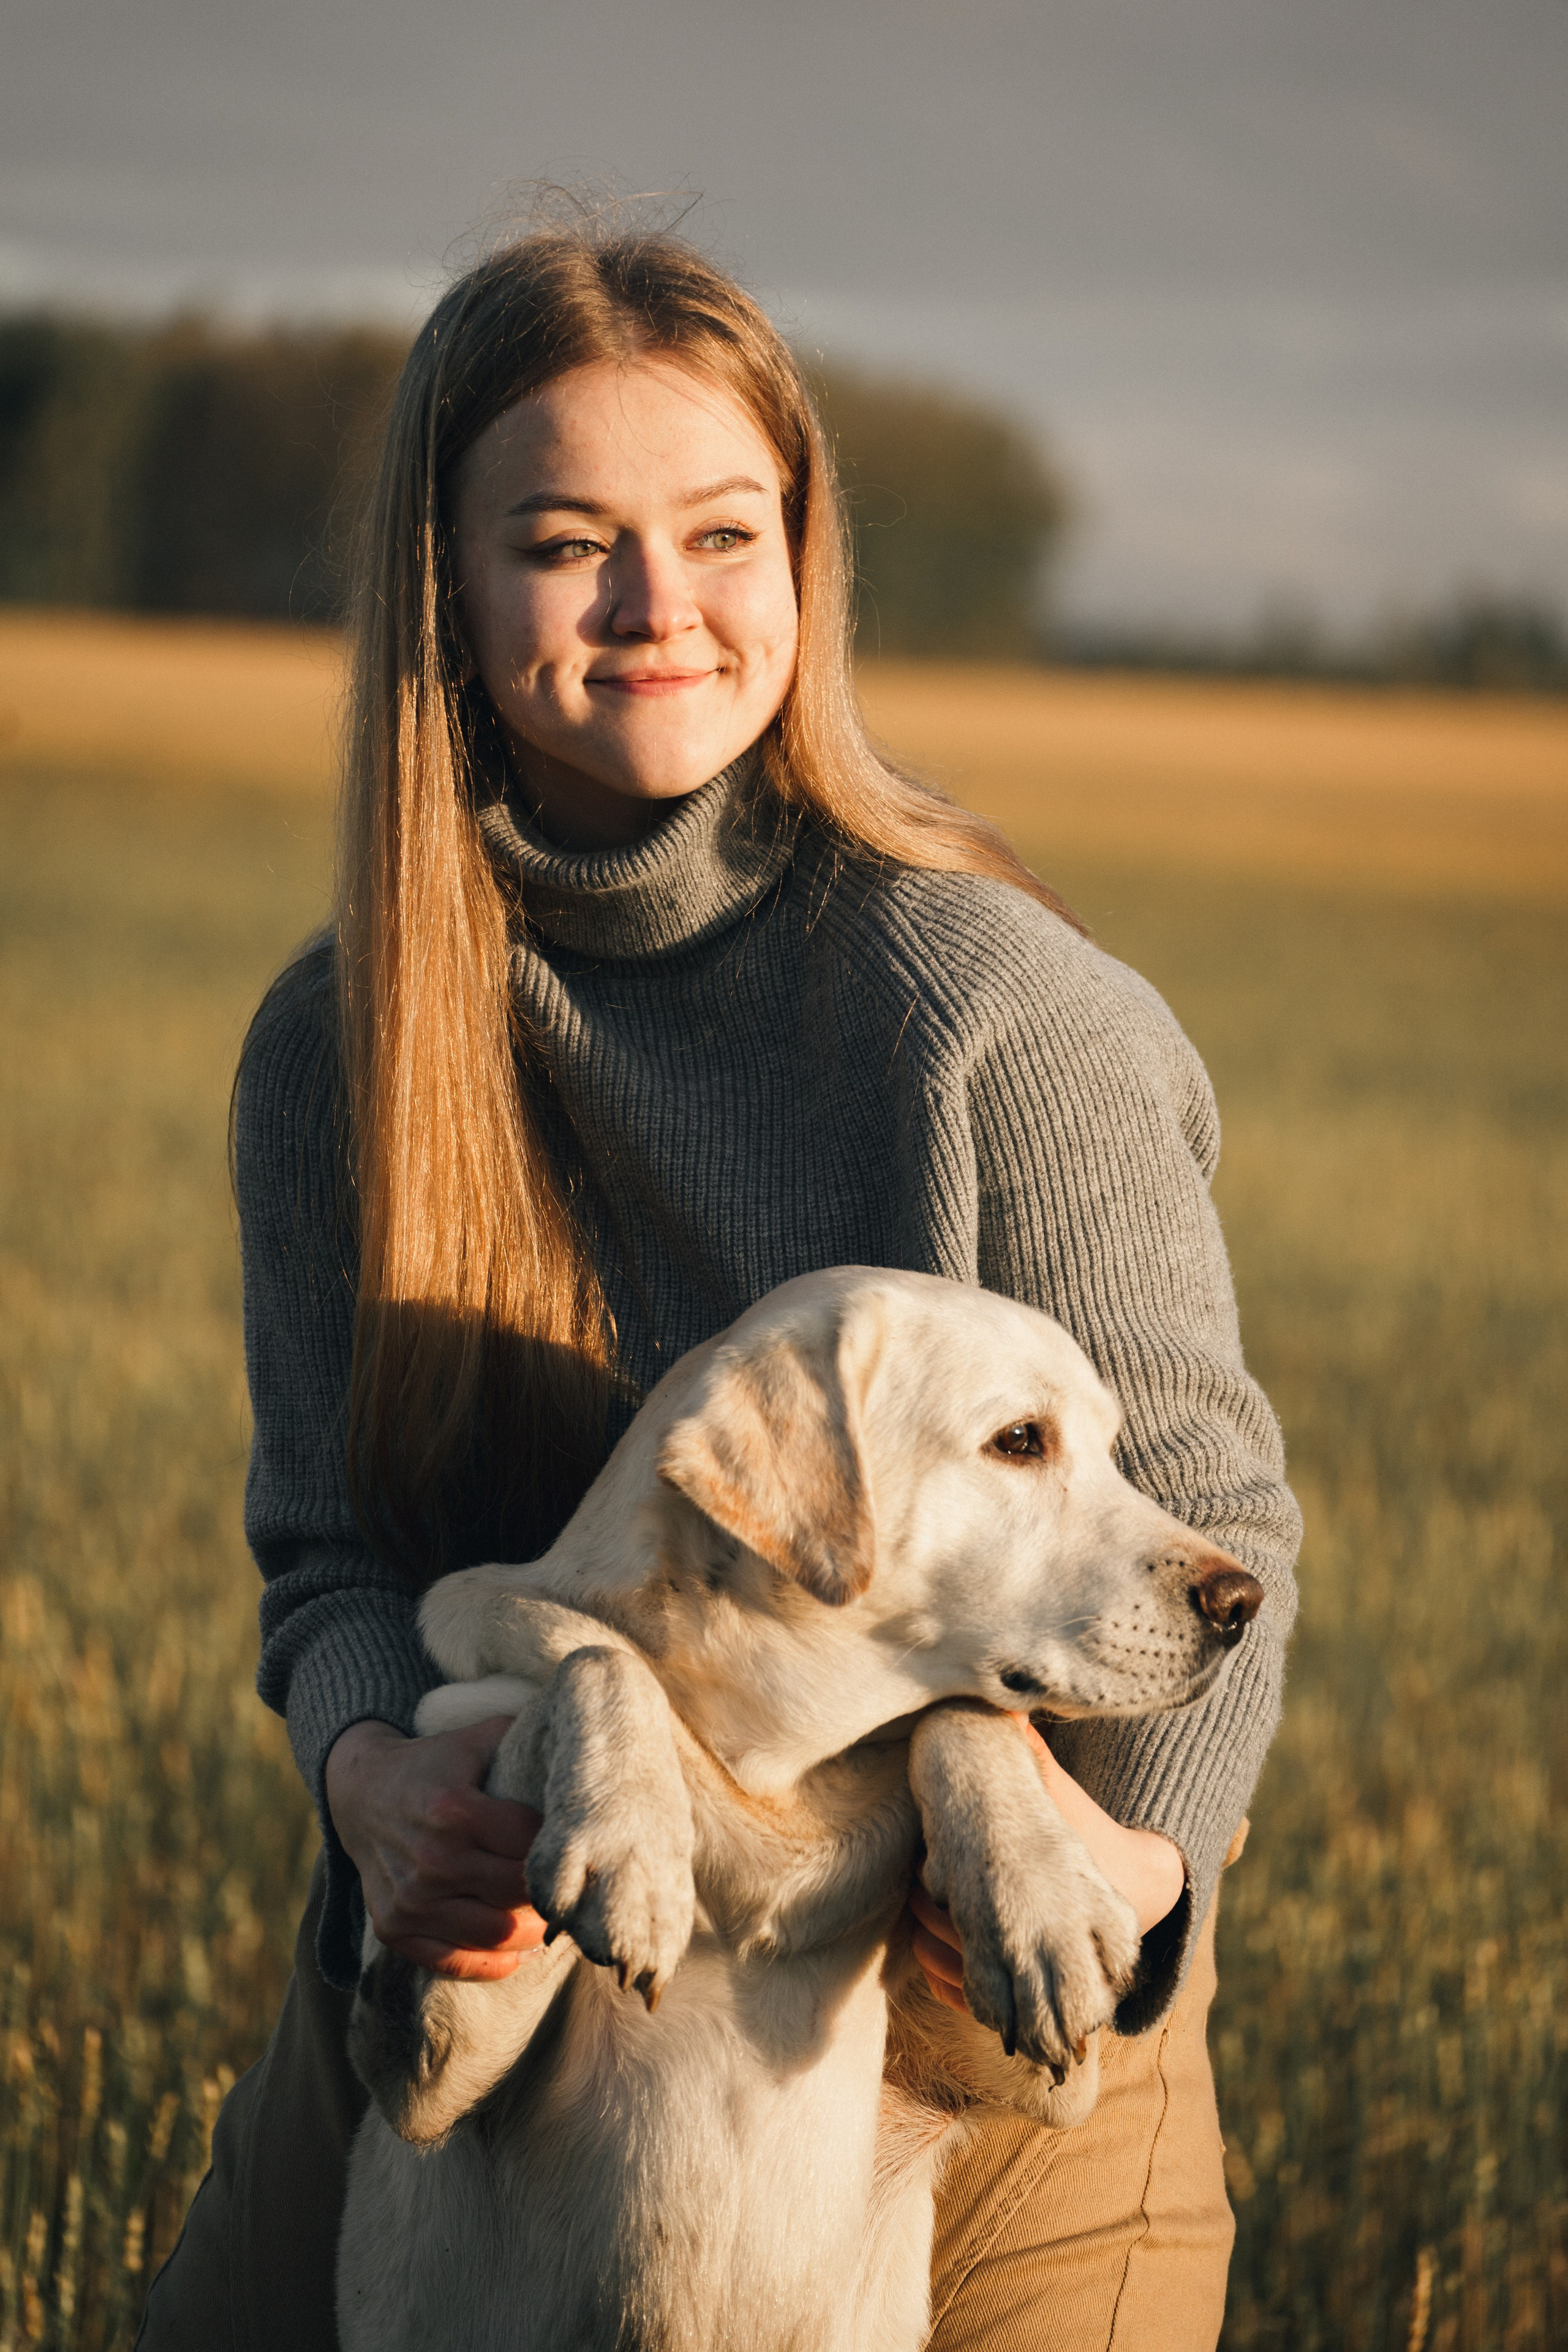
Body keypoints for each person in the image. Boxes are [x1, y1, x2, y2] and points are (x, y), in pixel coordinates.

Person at [138, 223, 1299, 2352]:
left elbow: (1220, 1557)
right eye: (570, 542)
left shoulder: (995, 1015)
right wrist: (376, 1786)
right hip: (501, 1956)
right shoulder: (344, 1045)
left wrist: (1070, 1890)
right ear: (446, 588)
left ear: (803, 563)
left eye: (722, 534)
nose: (658, 609)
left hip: (974, 1997)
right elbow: (328, 1567)